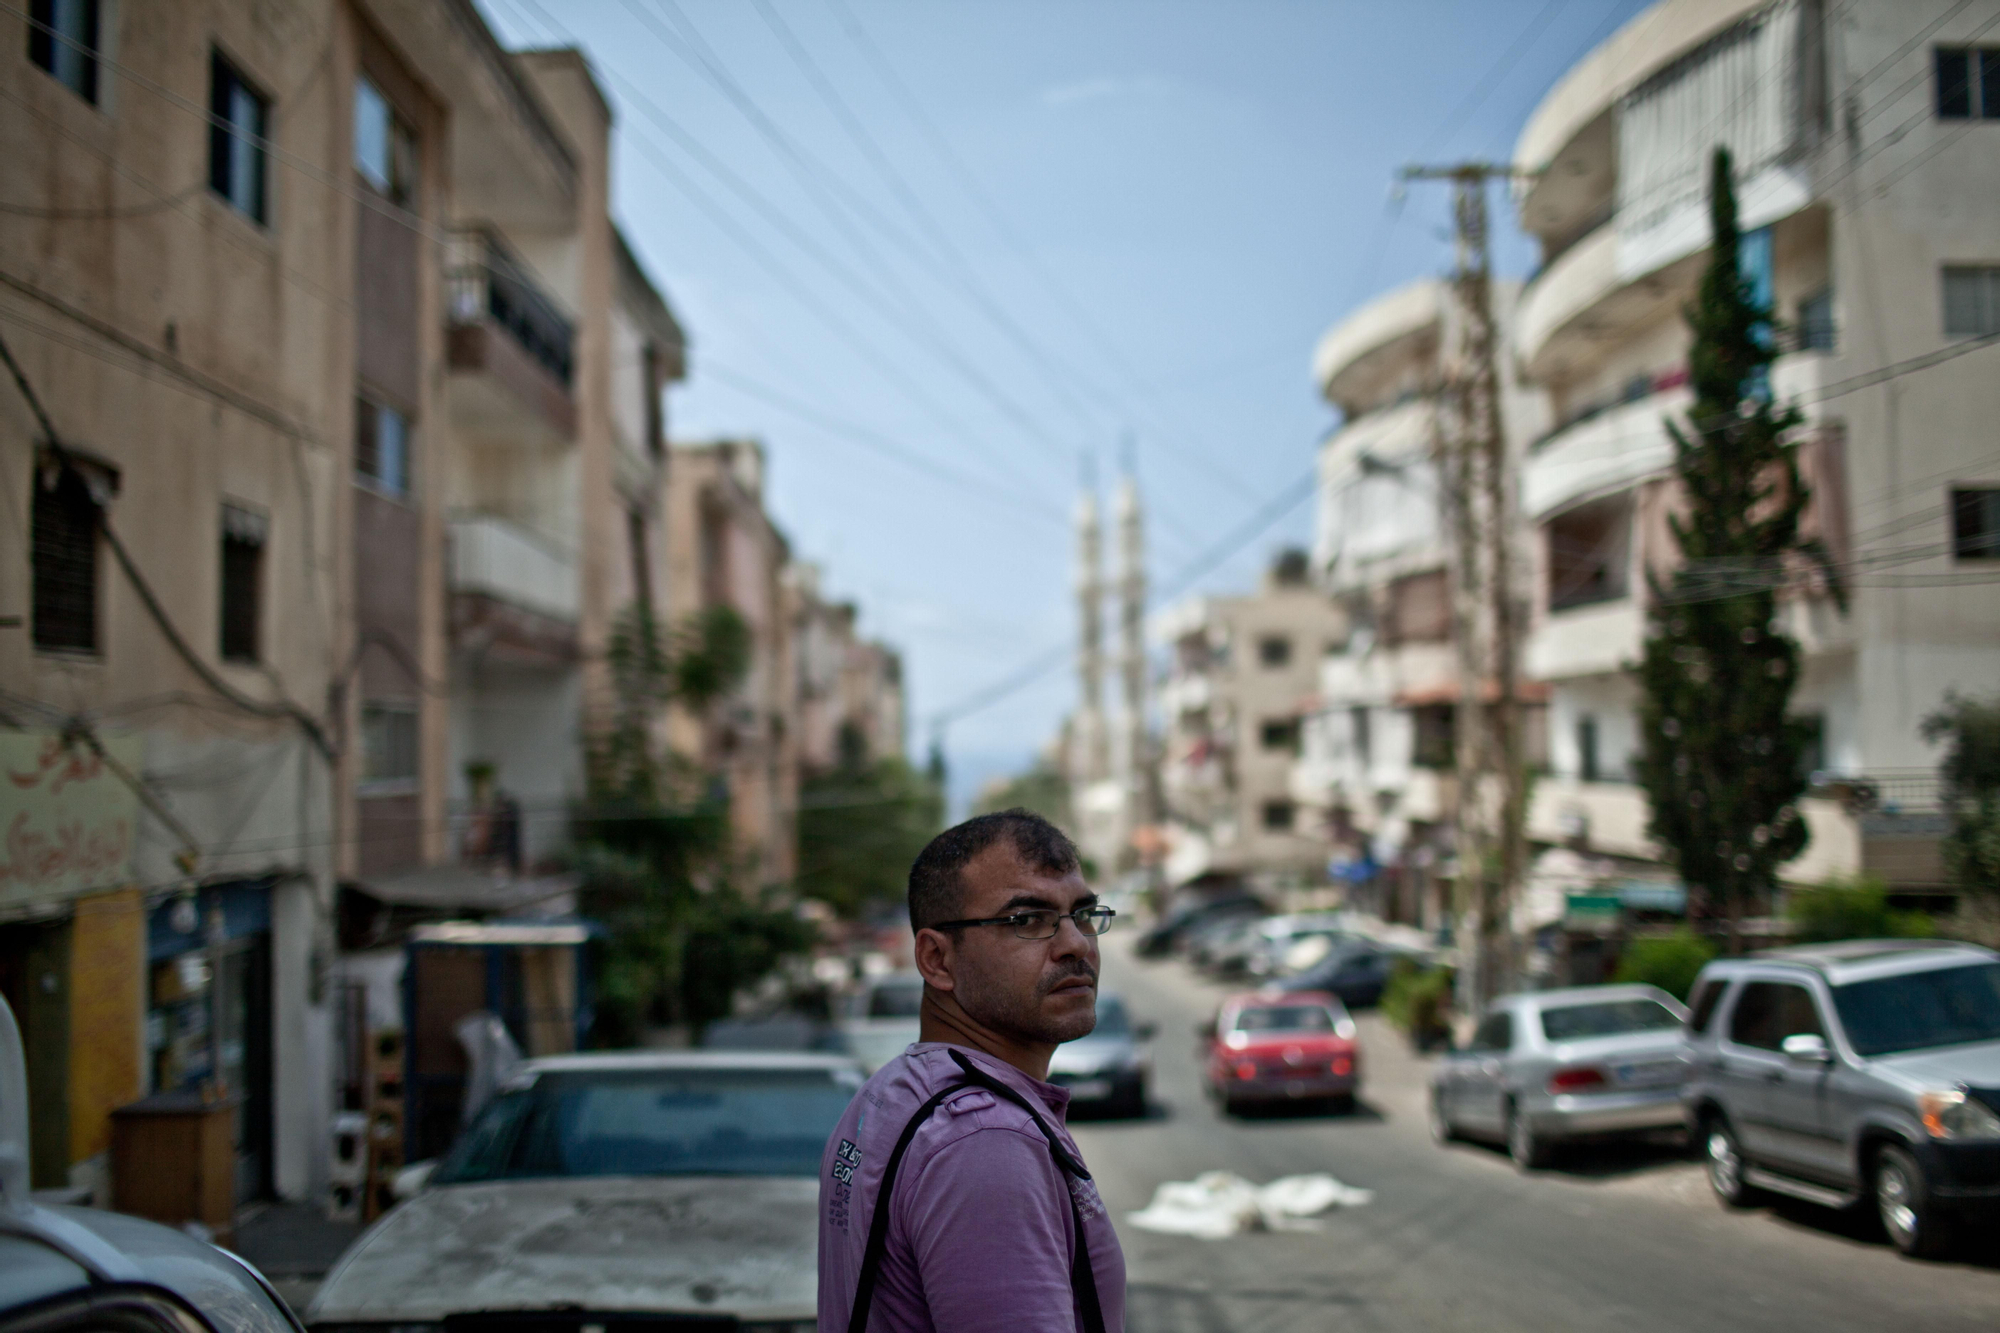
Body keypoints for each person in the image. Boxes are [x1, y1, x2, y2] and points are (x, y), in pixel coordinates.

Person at [818, 809, 1127, 1333]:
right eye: (1026, 920)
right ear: (937, 959)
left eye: (1082, 913)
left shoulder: (894, 1091)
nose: (1075, 943)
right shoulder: (986, 1141)